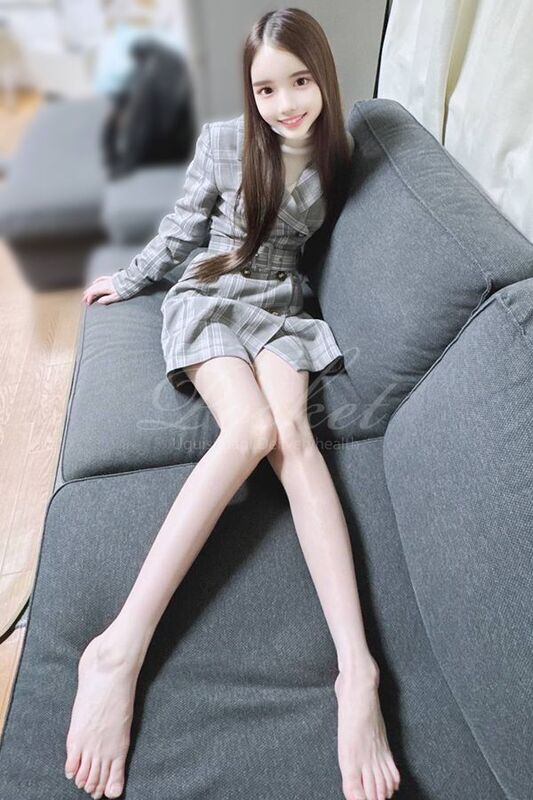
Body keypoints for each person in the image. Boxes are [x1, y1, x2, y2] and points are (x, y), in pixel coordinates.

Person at [66, 9, 401, 800]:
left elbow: (304, 245)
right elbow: (182, 230)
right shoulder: (223, 142)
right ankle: (118, 647)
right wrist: (130, 279)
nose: (284, 103)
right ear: (248, 91)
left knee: (293, 437)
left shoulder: (338, 154)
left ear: (321, 77)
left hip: (281, 305)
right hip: (212, 294)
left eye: (299, 81)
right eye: (266, 88)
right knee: (249, 430)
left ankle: (356, 670)